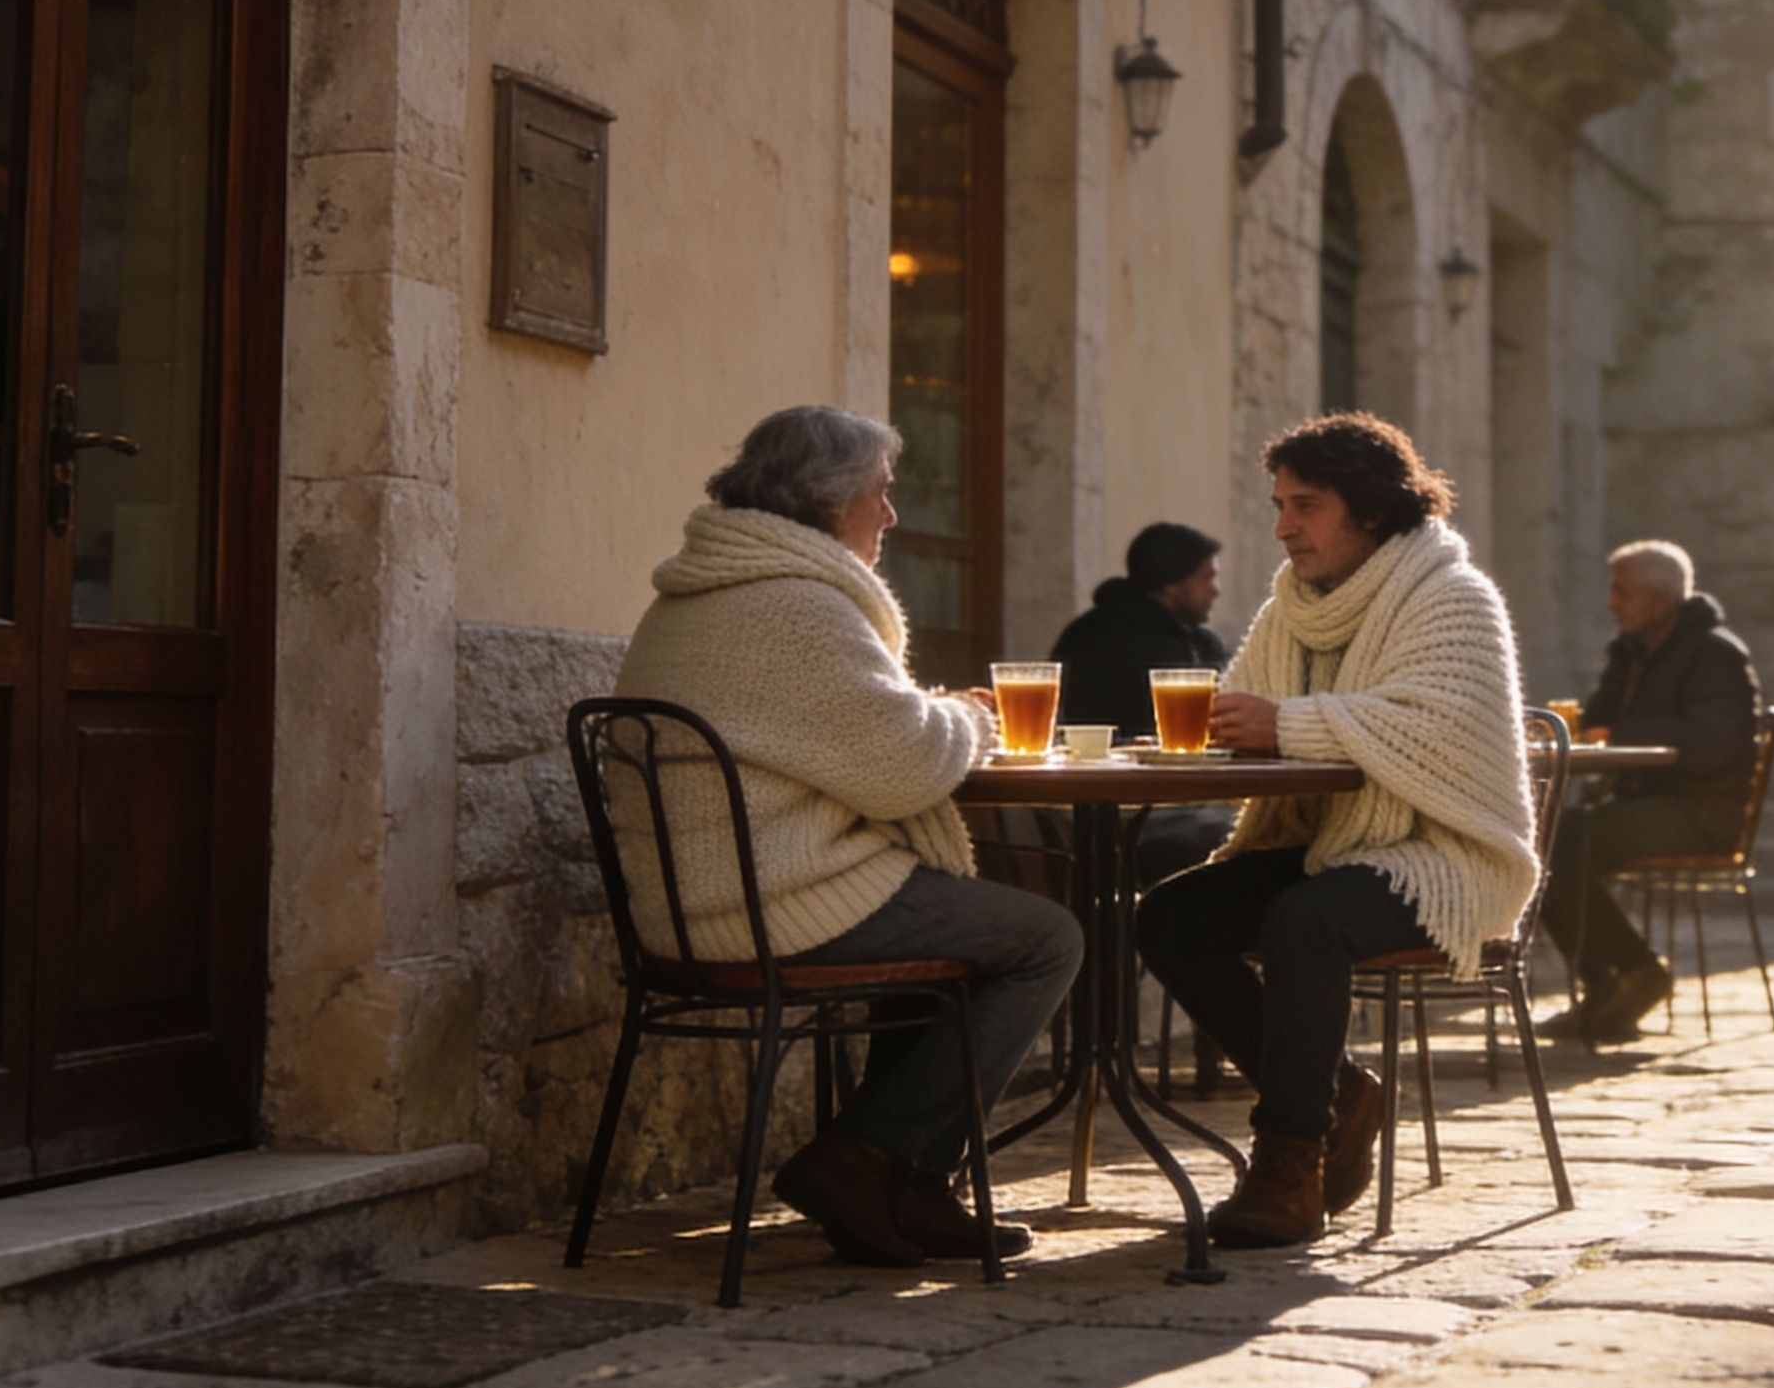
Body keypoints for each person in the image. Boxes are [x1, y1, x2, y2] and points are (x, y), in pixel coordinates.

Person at [610, 404, 1083, 1271]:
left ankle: (909, 1190)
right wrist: (968, 720)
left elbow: (863, 739)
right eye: (883, 493)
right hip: (770, 906)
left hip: (715, 899)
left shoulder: (703, 590)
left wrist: (930, 718)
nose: (892, 516)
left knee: (952, 921)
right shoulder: (792, 607)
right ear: (829, 501)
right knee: (1046, 937)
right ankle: (863, 1159)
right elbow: (905, 767)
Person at [1132, 413, 1534, 1248]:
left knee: (1305, 920)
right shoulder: (1294, 606)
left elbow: (1438, 731)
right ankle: (1342, 1092)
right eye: (1279, 505)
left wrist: (1289, 725)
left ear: (1374, 511)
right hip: (1331, 843)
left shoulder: (1454, 597)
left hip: (1445, 855)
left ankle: (1289, 1165)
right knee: (1169, 917)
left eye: (1305, 506)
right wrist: (1227, 726)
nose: (1281, 527)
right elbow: (1253, 705)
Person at [1537, 540, 1763, 1046]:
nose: (1612, 603)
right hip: (1641, 803)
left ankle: (1635, 972)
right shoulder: (1631, 653)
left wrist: (1624, 733)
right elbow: (1599, 719)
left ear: (1659, 599)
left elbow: (1714, 741)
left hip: (1700, 810)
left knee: (1563, 838)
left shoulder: (1716, 654)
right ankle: (1608, 984)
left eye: (1622, 592)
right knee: (1544, 838)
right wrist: (1601, 731)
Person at [1047, 521, 1228, 733]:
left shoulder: (1200, 642)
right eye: (1207, 578)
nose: (1215, 590)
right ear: (1171, 584)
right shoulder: (1095, 641)